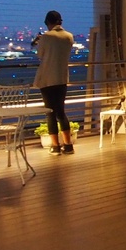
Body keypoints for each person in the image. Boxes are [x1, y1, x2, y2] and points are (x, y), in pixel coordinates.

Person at [33, 10, 75, 156]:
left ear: (48, 22)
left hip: (47, 79)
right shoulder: (69, 36)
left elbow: (40, 55)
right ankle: (68, 145)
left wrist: (39, 41)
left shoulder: (46, 37)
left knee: (50, 113)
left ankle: (55, 146)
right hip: (62, 78)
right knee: (61, 112)